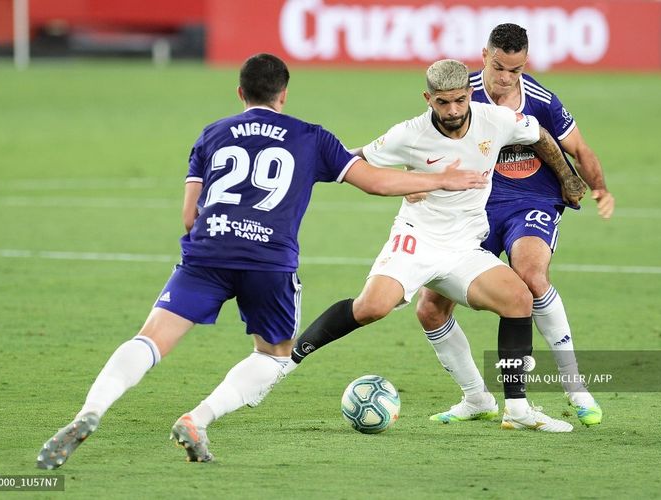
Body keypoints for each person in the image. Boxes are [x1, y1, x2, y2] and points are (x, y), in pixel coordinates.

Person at [35, 53, 488, 469]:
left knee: (151, 339)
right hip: (269, 261)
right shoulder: (311, 137)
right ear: (284, 93)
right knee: (272, 356)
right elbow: (372, 182)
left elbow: (189, 216)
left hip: (208, 252)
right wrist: (441, 180)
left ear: (240, 93)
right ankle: (199, 417)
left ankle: (90, 411)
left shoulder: (212, 133)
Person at [282, 59, 587, 433]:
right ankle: (287, 357)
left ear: (470, 94)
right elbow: (352, 160)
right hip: (417, 239)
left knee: (519, 299)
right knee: (373, 307)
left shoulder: (497, 119)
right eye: (443, 103)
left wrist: (569, 177)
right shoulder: (408, 134)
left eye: (459, 101)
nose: (453, 111)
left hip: (463, 246)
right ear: (428, 99)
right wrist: (407, 181)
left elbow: (538, 134)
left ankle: (516, 409)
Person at [415, 23, 615, 427]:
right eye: (500, 67)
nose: (506, 79)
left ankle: (576, 387)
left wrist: (599, 188)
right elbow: (425, 142)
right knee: (430, 309)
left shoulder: (540, 99)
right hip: (474, 209)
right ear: (485, 55)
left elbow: (579, 148)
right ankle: (476, 398)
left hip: (533, 201)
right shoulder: (460, 93)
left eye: (516, 70)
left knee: (531, 275)